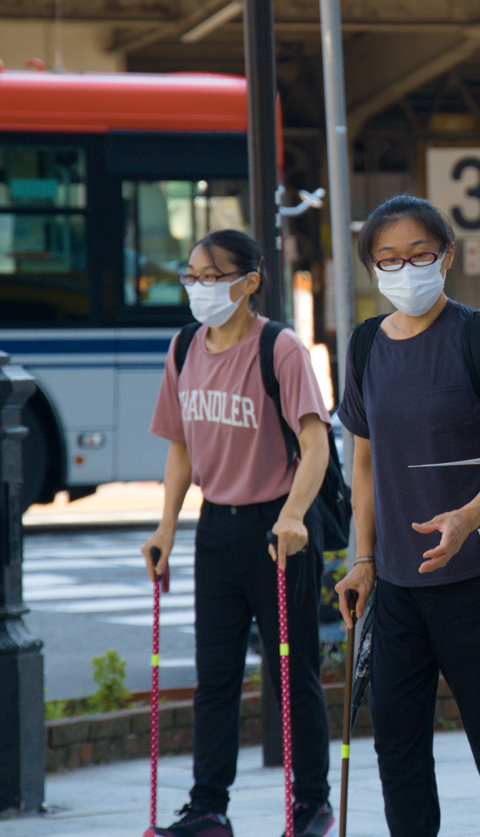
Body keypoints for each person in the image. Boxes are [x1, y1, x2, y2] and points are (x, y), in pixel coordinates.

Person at [333, 194, 480, 837]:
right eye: (387, 259)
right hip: (397, 586)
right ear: (371, 267)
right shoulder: (366, 345)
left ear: (446, 256)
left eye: (419, 255)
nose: (405, 270)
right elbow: (363, 467)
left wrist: (468, 515)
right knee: (396, 750)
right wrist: (362, 559)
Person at [141, 229, 337, 837]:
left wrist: (294, 514)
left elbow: (315, 443)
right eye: (191, 276)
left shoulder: (279, 348)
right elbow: (180, 449)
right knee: (215, 677)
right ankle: (208, 807)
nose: (199, 288)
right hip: (216, 530)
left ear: (249, 281)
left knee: (292, 674)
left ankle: (311, 804)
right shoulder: (183, 349)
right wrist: (165, 527)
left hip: (277, 529)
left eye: (213, 276)